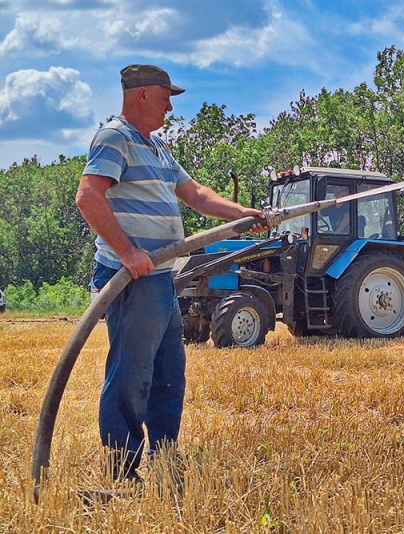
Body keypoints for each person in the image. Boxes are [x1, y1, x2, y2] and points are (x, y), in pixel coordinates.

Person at [75, 64, 267, 483]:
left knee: (167, 373)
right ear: (141, 94)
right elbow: (88, 196)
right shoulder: (116, 137)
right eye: (165, 96)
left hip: (158, 277)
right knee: (131, 375)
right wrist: (128, 253)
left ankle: (165, 458)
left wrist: (241, 214)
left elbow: (194, 193)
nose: (170, 106)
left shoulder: (157, 146)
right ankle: (121, 472)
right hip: (132, 279)